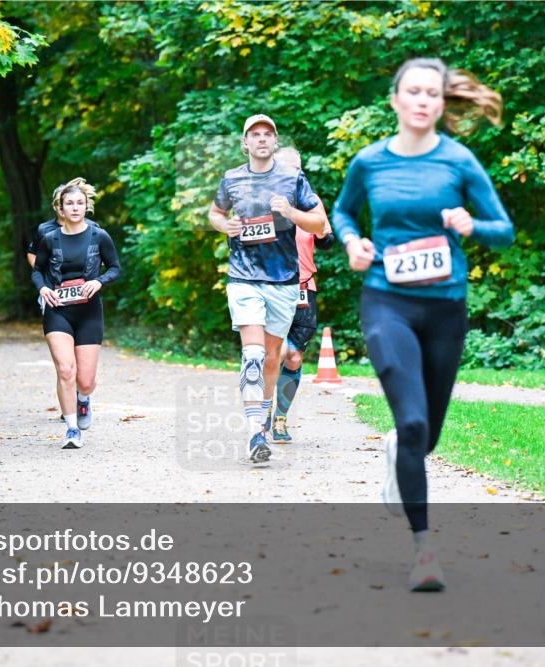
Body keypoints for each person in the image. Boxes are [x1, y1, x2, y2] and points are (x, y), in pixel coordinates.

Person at [332, 58, 514, 591]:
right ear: (395, 100)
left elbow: (503, 231)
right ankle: (424, 551)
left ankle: (401, 450)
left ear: (441, 103)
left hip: (444, 307)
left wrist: (471, 224)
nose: (422, 100)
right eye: (412, 91)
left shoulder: (458, 160)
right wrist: (352, 242)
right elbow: (343, 212)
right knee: (412, 423)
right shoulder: (369, 161)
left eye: (431, 93)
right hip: (386, 302)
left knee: (425, 436)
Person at [209, 114, 328, 464]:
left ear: (274, 142)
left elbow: (319, 223)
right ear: (245, 143)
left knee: (273, 358)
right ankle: (255, 433)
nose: (261, 139)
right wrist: (225, 225)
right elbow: (215, 213)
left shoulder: (293, 178)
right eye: (255, 134)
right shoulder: (231, 178)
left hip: (284, 280)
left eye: (267, 134)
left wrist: (291, 212)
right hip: (244, 277)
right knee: (254, 356)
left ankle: (263, 420)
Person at [32, 179, 120, 450]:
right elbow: (37, 271)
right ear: (60, 207)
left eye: (79, 203)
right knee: (65, 369)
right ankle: (71, 429)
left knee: (86, 381)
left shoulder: (99, 236)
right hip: (58, 310)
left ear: (86, 206)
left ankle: (83, 398)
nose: (74, 207)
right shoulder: (49, 239)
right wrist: (43, 288)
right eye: (69, 203)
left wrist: (100, 282)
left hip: (89, 312)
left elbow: (115, 267)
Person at [266, 147, 334, 444]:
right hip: (271, 286)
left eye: (297, 169)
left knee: (293, 356)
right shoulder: (263, 200)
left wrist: (319, 231)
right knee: (274, 354)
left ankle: (280, 420)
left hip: (304, 287)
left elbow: (327, 240)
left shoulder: (312, 202)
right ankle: (260, 411)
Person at [26, 178, 101, 271]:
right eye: (58, 202)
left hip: (85, 279)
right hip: (54, 279)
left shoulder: (92, 227)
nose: (61, 206)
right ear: (54, 205)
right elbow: (32, 253)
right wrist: (40, 271)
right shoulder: (44, 229)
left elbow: (104, 257)